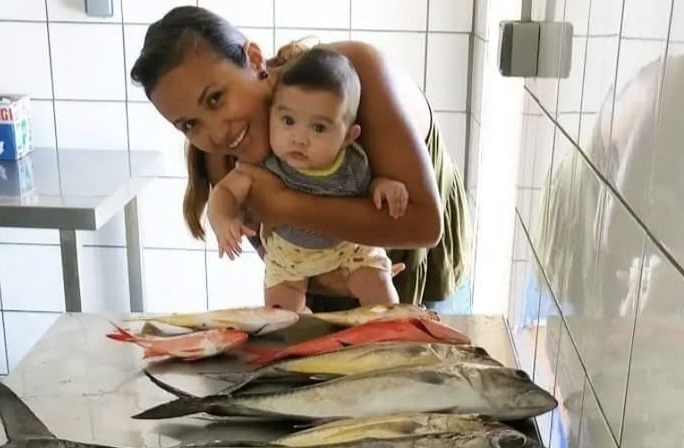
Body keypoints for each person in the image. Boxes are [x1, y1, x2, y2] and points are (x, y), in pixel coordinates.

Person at [129, 5, 472, 312]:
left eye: (216, 99)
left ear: (253, 58)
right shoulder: (221, 157)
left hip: (421, 261)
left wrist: (282, 205)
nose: (216, 133)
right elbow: (279, 256)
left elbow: (425, 225)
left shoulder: (355, 74)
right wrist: (329, 279)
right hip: (337, 277)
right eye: (190, 124)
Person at [205, 45, 409, 312]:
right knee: (280, 316)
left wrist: (384, 186)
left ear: (348, 136)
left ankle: (386, 335)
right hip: (288, 257)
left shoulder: (353, 164)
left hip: (347, 250)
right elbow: (224, 192)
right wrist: (223, 220)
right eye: (288, 121)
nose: (299, 138)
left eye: (318, 127)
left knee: (379, 289)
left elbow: (368, 190)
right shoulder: (266, 165)